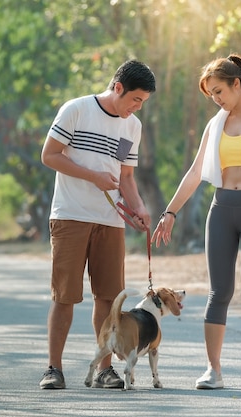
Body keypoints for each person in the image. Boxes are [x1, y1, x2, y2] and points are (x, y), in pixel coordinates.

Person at [152, 54, 241, 389]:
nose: (215, 99)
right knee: (219, 291)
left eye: (218, 91)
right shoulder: (216, 124)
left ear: (235, 83)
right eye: (211, 94)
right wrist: (170, 211)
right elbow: (197, 172)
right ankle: (214, 370)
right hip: (222, 208)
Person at [39, 59, 156, 390]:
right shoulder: (76, 110)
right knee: (65, 296)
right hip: (70, 216)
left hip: (110, 221)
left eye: (143, 103)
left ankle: (106, 370)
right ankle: (54, 368)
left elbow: (126, 176)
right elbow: (49, 155)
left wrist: (138, 208)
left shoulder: (131, 126)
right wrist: (93, 176)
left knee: (108, 298)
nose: (137, 108)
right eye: (135, 99)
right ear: (117, 87)